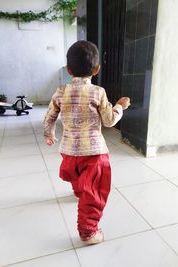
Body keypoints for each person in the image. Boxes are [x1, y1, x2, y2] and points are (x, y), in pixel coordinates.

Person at [43, 40, 130, 245]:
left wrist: (49, 134)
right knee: (95, 191)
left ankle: (78, 191)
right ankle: (88, 232)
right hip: (93, 152)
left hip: (69, 150)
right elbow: (109, 121)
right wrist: (119, 106)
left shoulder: (60, 91)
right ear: (97, 69)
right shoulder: (98, 92)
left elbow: (49, 116)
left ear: (68, 69)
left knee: (76, 174)